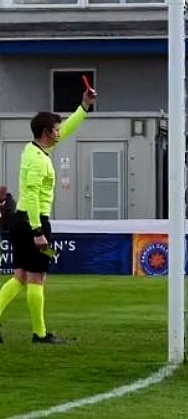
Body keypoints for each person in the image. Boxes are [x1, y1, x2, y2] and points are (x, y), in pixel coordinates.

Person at [0, 87, 97, 344]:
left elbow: (67, 129)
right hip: (33, 221)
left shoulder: (35, 150)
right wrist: (38, 232)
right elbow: (31, 195)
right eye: (55, 129)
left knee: (20, 276)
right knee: (36, 277)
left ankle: (38, 332)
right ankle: (40, 334)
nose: (59, 132)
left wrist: (84, 106)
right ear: (46, 133)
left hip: (23, 220)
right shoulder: (38, 160)